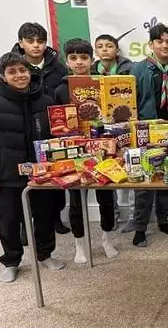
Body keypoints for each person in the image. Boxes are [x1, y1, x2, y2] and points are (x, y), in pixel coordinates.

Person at [0, 52, 65, 282]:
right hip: (8, 173)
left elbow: (55, 137)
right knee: (10, 220)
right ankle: (11, 261)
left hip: (42, 172)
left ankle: (45, 253)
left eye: (22, 70)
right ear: (3, 76)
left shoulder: (45, 100)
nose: (19, 75)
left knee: (44, 215)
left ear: (29, 71)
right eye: (12, 72)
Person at [0, 22, 71, 236]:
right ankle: (16, 249)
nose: (36, 45)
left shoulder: (57, 69)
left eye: (40, 41)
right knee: (11, 213)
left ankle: (49, 236)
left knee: (47, 204)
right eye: (30, 41)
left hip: (44, 151)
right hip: (10, 162)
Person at [54, 39, 118, 262]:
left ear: (92, 59)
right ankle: (79, 244)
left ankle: (107, 239)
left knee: (107, 198)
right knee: (76, 200)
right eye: (74, 58)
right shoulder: (60, 89)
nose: (79, 62)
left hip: (104, 148)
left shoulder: (105, 85)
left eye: (84, 57)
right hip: (75, 151)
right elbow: (57, 122)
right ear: (67, 60)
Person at [129, 23, 168, 247]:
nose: (165, 45)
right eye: (160, 41)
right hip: (145, 133)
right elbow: (129, 103)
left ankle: (163, 221)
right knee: (145, 182)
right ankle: (140, 228)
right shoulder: (138, 70)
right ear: (151, 44)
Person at [90, 33, 132, 231]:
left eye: (109, 45)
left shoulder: (130, 69)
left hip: (126, 125)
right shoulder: (89, 71)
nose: (105, 49)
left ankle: (133, 216)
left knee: (132, 168)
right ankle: (112, 216)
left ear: (117, 49)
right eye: (100, 46)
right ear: (95, 51)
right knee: (105, 170)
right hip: (99, 128)